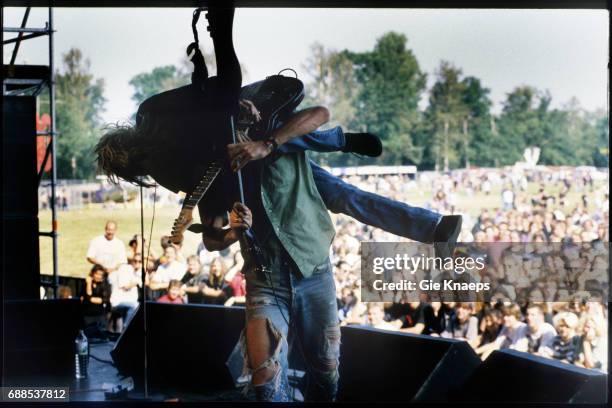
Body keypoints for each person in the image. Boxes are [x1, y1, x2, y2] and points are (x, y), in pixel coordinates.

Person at [108, 255, 142, 331]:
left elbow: (146, 282)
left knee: (136, 306)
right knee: (135, 306)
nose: (137, 263)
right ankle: (126, 327)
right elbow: (125, 286)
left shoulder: (138, 272)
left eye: (140, 261)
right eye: (135, 261)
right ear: (131, 261)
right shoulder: (125, 269)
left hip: (128, 303)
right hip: (118, 302)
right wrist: (137, 282)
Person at [81, 264, 111, 336]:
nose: (98, 276)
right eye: (96, 274)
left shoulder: (105, 284)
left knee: (101, 334)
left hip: (100, 314)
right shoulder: (87, 283)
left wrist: (90, 299)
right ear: (92, 273)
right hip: (87, 314)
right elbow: (87, 296)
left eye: (101, 275)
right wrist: (89, 283)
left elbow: (105, 299)